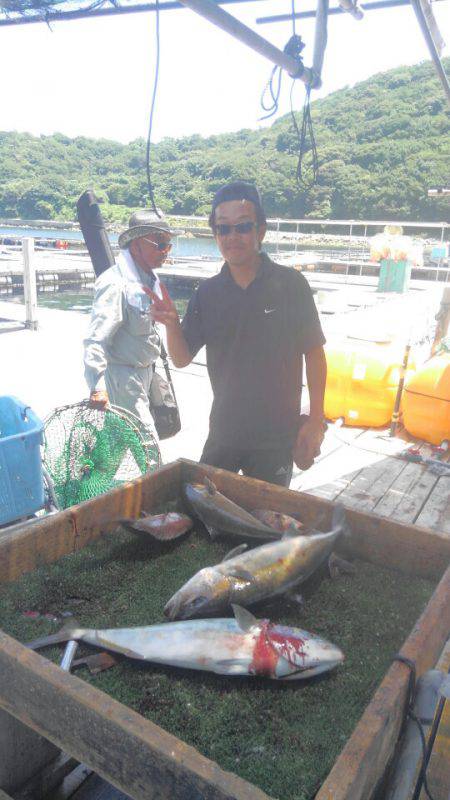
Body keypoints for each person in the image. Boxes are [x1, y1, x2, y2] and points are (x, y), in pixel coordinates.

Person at [148, 181, 327, 487]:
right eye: (223, 229)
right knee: (206, 512)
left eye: (242, 227)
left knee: (267, 522)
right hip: (225, 431)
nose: (232, 237)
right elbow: (180, 359)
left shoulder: (290, 285)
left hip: (276, 437)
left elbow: (314, 354)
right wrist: (171, 325)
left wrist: (315, 420)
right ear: (215, 234)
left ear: (261, 231)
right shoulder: (207, 293)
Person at [83, 209, 178, 432]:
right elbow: (95, 339)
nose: (166, 251)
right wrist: (97, 385)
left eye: (169, 244)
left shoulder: (148, 281)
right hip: (124, 378)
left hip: (145, 373)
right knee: (149, 447)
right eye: (160, 244)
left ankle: (92, 469)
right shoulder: (116, 284)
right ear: (136, 246)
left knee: (114, 443)